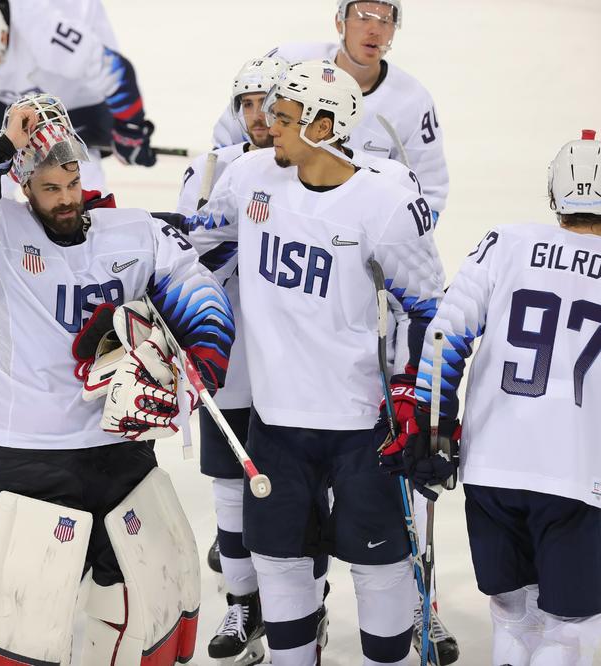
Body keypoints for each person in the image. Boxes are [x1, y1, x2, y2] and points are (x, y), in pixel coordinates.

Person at [0, 92, 234, 664]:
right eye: (49, 188)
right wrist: (2, 147)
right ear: (22, 184)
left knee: (144, 609)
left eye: (71, 182)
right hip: (26, 454)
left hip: (119, 451)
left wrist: (195, 368)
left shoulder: (132, 231)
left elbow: (198, 290)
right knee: (25, 624)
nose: (65, 198)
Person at [188, 60, 445, 666]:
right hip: (275, 422)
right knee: (279, 567)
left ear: (324, 126)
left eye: (281, 116)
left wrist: (413, 394)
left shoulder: (384, 202)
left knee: (381, 574)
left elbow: (428, 308)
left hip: (362, 425)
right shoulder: (250, 177)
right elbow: (196, 244)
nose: (265, 124)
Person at [384, 130, 601, 665]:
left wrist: (433, 433)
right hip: (578, 473)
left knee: (511, 613)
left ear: (554, 193)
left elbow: (444, 335)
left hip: (493, 469)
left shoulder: (507, 242)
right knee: (568, 630)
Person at [0, 0, 158, 326]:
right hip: (12, 99)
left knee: (80, 183)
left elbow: (116, 72)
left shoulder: (43, 28)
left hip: (77, 98)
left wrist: (130, 130)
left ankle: (98, 272)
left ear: (4, 36)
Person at [176, 55, 288, 666]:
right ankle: (243, 602)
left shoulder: (316, 174)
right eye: (246, 104)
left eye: (267, 103)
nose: (257, 116)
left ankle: (304, 606)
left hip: (296, 366)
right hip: (230, 358)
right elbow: (183, 258)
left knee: (297, 493)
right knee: (228, 487)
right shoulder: (210, 169)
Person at [211, 0, 449, 217]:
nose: (374, 30)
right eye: (363, 18)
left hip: (352, 230)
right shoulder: (289, 61)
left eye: (385, 21)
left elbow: (428, 195)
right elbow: (232, 139)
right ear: (339, 22)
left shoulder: (413, 101)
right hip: (270, 215)